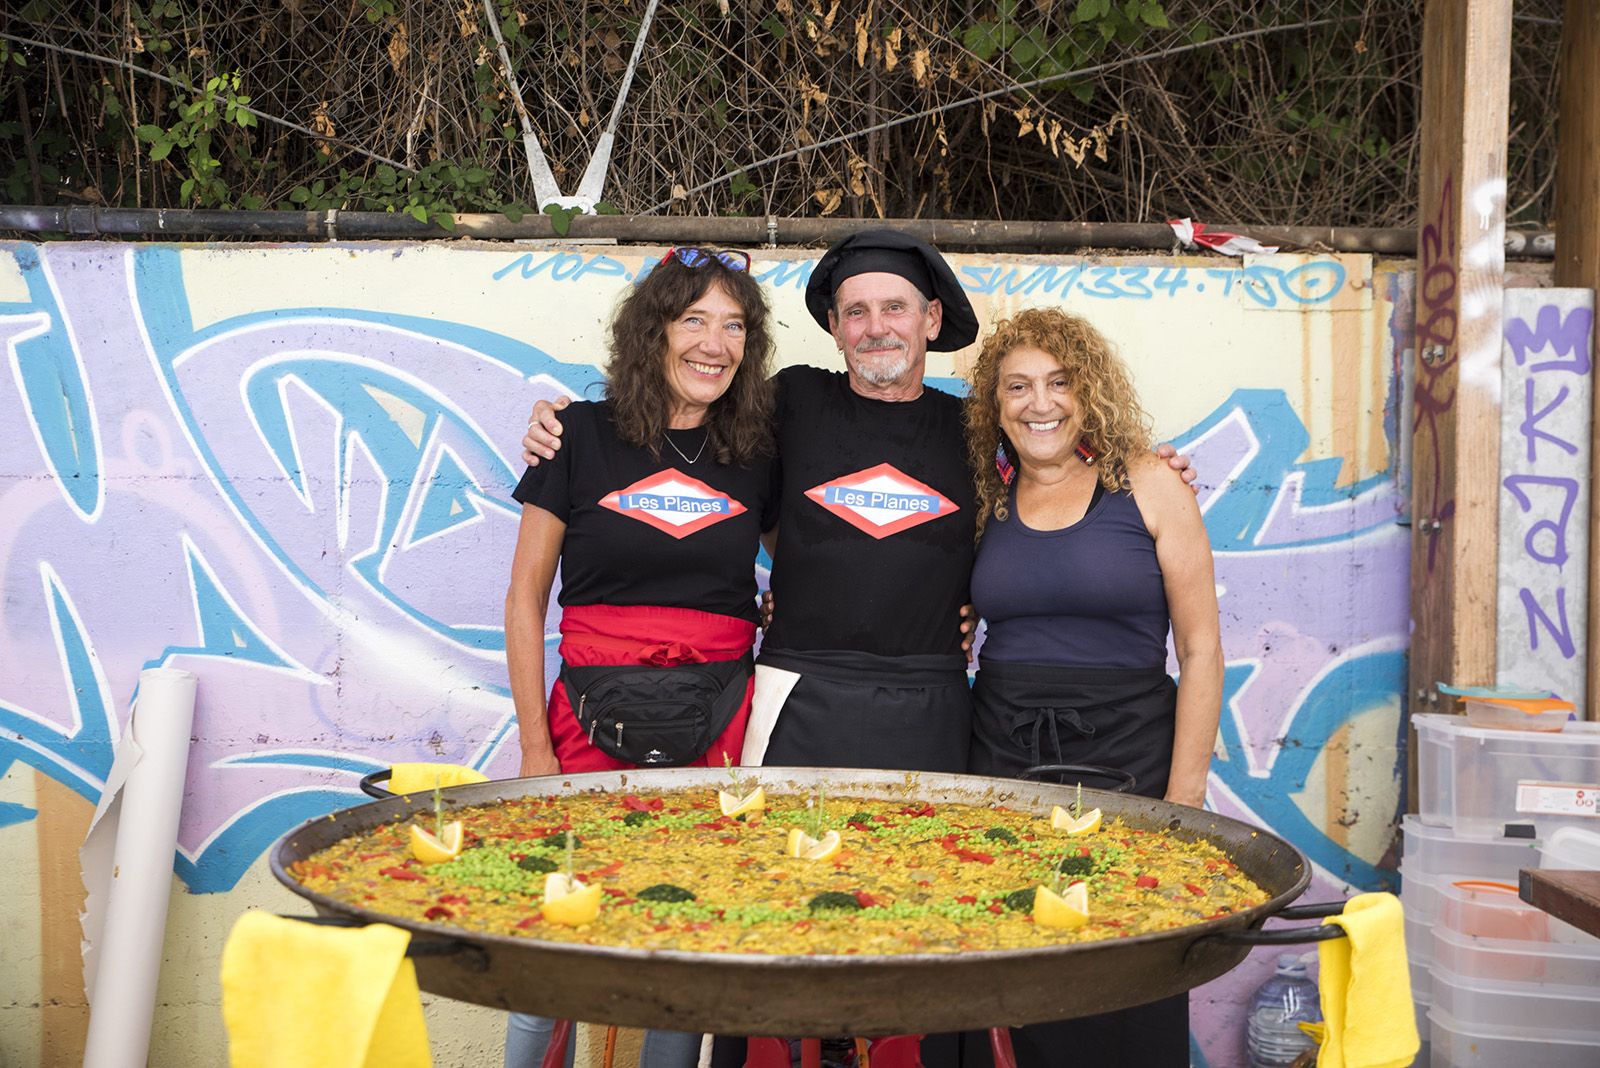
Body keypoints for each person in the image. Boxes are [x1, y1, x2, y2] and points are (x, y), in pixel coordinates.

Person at [503, 245, 777, 1068]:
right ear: (651, 331)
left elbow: (823, 552)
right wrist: (533, 746)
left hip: (717, 725)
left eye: (734, 326)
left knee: (682, 933)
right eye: (694, 319)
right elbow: (524, 601)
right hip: (584, 722)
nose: (714, 343)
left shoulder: (759, 454)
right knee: (557, 937)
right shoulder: (577, 436)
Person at [960, 306, 1223, 1068]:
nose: (1039, 403)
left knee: (1124, 977)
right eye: (1018, 387)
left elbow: (1201, 649)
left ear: (1089, 394)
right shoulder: (987, 497)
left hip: (1130, 760)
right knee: (1008, 970)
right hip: (1003, 758)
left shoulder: (1147, 482)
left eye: (1058, 383)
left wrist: (1186, 799)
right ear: (995, 404)